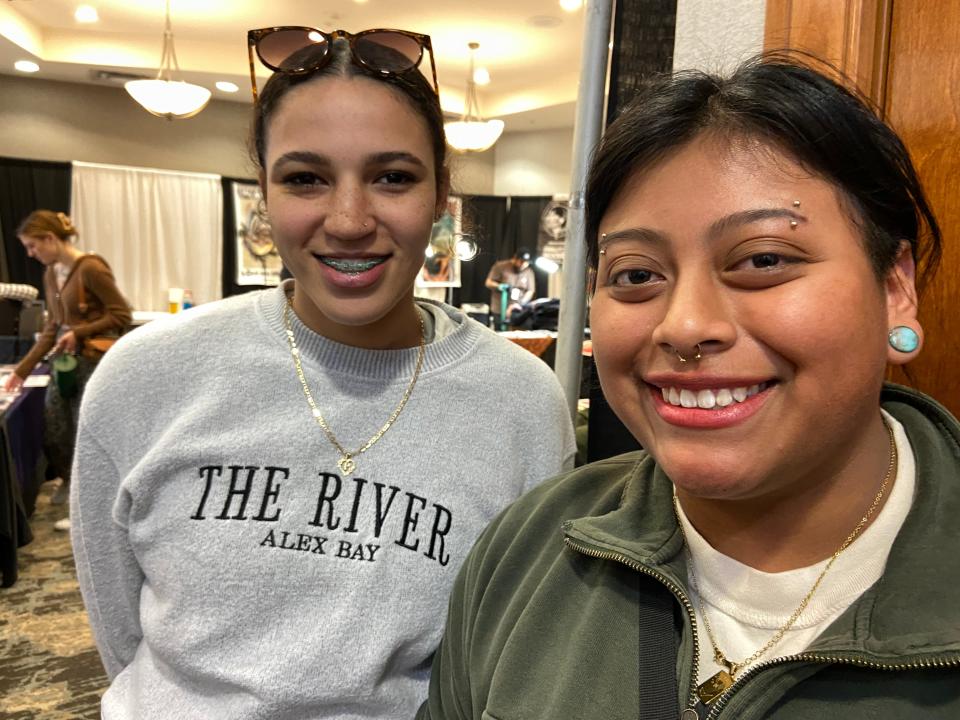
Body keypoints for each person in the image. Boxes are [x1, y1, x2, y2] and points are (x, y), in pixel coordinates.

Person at [420, 54, 960, 719]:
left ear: (895, 288)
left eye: (763, 260)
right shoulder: (532, 547)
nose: (685, 326)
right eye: (636, 275)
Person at [71, 27, 576, 720]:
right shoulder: (144, 377)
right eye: (305, 178)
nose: (348, 220)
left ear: (441, 197)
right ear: (264, 194)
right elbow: (119, 634)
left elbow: (512, 647)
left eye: (392, 177)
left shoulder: (519, 404)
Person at [4, 210, 130, 530]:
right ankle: (75, 488)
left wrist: (79, 332)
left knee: (83, 433)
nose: (31, 254)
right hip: (67, 364)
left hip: (93, 363)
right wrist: (21, 370)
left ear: (50, 239)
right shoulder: (51, 275)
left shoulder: (91, 268)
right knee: (56, 428)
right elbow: (52, 328)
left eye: (33, 246)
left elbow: (121, 315)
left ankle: (88, 511)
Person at [484, 247, 535, 324]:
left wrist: (521, 303)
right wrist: (499, 286)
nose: (523, 264)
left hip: (517, 309)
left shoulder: (529, 272)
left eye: (526, 262)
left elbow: (530, 290)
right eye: (521, 261)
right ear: (515, 258)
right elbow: (488, 282)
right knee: (500, 332)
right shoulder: (500, 266)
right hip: (500, 308)